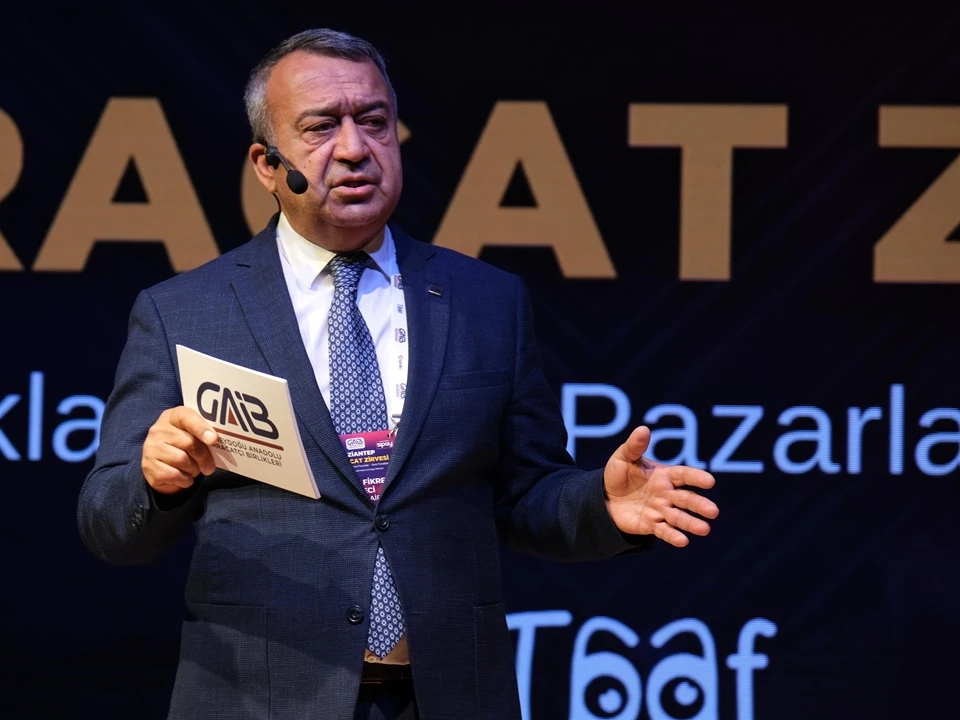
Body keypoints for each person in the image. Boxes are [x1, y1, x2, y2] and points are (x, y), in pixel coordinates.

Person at [77, 28, 719, 720]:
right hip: (263, 699)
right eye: (321, 127)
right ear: (267, 164)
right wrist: (156, 480)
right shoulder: (185, 312)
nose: (355, 148)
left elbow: (527, 493)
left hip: (450, 697)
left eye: (374, 121)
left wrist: (600, 505)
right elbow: (109, 524)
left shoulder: (486, 301)